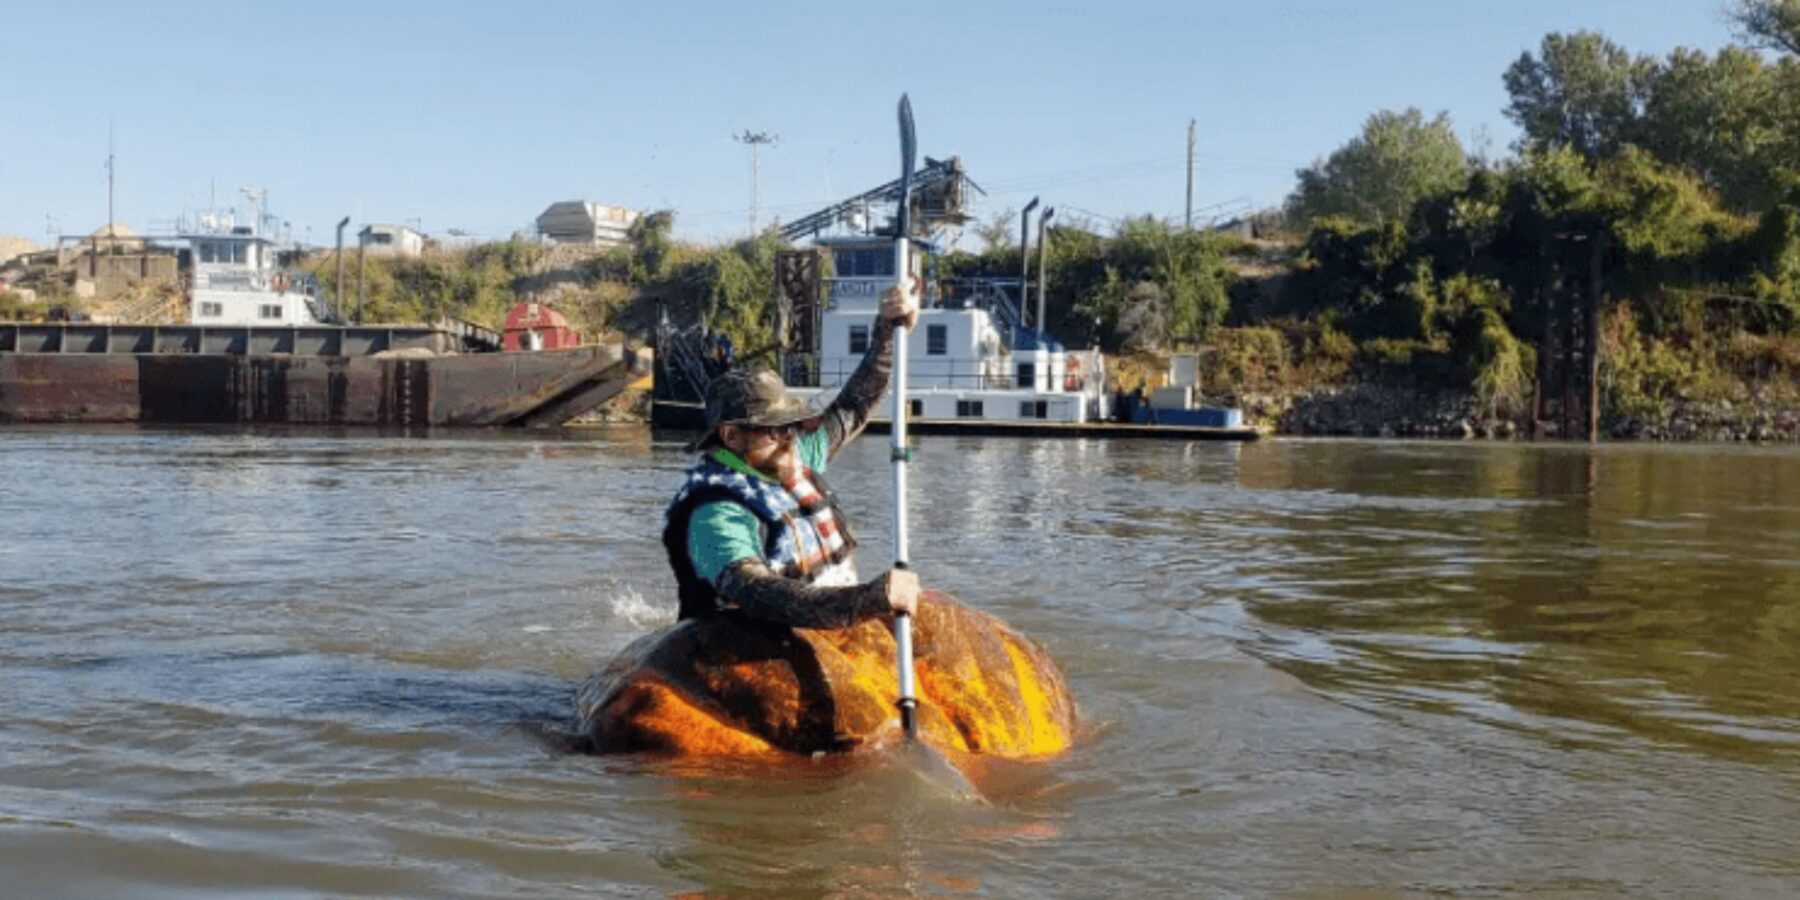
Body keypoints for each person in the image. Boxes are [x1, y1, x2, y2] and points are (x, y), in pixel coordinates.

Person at [662, 278, 921, 628]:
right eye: (775, 427)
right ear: (732, 436)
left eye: (792, 424)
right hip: (743, 649)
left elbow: (853, 407)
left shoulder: (790, 458)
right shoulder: (715, 512)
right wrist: (865, 600)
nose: (791, 437)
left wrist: (887, 332)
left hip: (832, 623)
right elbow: (756, 592)